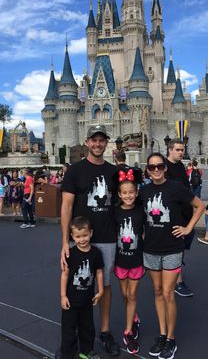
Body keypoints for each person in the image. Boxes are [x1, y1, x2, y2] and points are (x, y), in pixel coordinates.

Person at [61, 125, 120, 356]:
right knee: (76, 284)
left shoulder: (114, 171)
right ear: (87, 142)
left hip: (106, 238)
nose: (98, 144)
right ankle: (73, 337)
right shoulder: (75, 171)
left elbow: (125, 200)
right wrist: (65, 241)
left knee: (104, 284)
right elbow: (66, 206)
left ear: (106, 143)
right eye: (94, 140)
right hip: (79, 239)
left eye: (101, 140)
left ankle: (104, 332)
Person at [139, 152, 204, 359]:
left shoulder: (176, 188)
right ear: (147, 170)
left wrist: (188, 228)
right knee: (158, 292)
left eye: (159, 166)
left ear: (165, 167)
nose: (156, 170)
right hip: (150, 249)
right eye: (152, 167)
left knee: (168, 294)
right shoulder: (144, 191)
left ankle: (171, 339)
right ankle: (162, 334)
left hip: (172, 248)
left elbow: (200, 206)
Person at [59, 216, 104, 359]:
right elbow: (65, 275)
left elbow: (99, 272)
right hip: (71, 301)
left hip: (87, 300)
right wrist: (63, 296)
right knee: (68, 328)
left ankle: (86, 350)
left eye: (85, 235)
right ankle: (67, 352)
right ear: (72, 237)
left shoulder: (96, 253)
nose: (82, 239)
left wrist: (101, 290)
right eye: (78, 237)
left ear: (90, 233)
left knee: (87, 328)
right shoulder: (70, 254)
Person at [113, 168, 145, 355]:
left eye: (131, 192)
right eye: (124, 193)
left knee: (132, 295)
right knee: (125, 295)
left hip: (136, 259)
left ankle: (128, 331)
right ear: (119, 194)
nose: (128, 196)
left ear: (137, 192)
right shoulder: (115, 212)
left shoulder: (141, 211)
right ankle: (134, 317)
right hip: (120, 260)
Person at [165, 138, 195, 297]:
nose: (181, 152)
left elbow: (186, 189)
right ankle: (178, 282)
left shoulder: (180, 167)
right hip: (172, 216)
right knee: (176, 248)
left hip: (185, 215)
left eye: (182, 150)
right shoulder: (164, 167)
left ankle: (174, 275)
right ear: (170, 149)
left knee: (181, 248)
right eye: (178, 150)